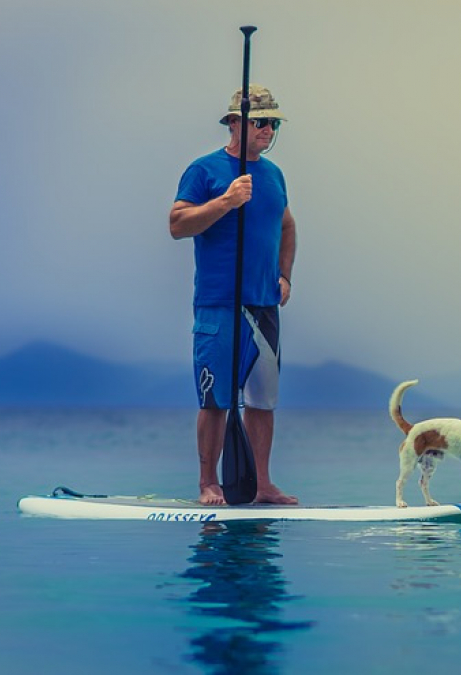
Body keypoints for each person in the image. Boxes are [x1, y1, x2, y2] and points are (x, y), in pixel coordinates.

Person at [169, 84, 298, 505]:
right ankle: (209, 483)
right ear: (235, 123)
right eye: (261, 122)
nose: (268, 131)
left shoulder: (274, 175)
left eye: (274, 124)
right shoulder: (203, 170)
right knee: (215, 398)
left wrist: (285, 275)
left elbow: (287, 226)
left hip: (263, 305)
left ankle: (261, 484)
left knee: (263, 401)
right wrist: (226, 201)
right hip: (218, 302)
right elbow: (178, 224)